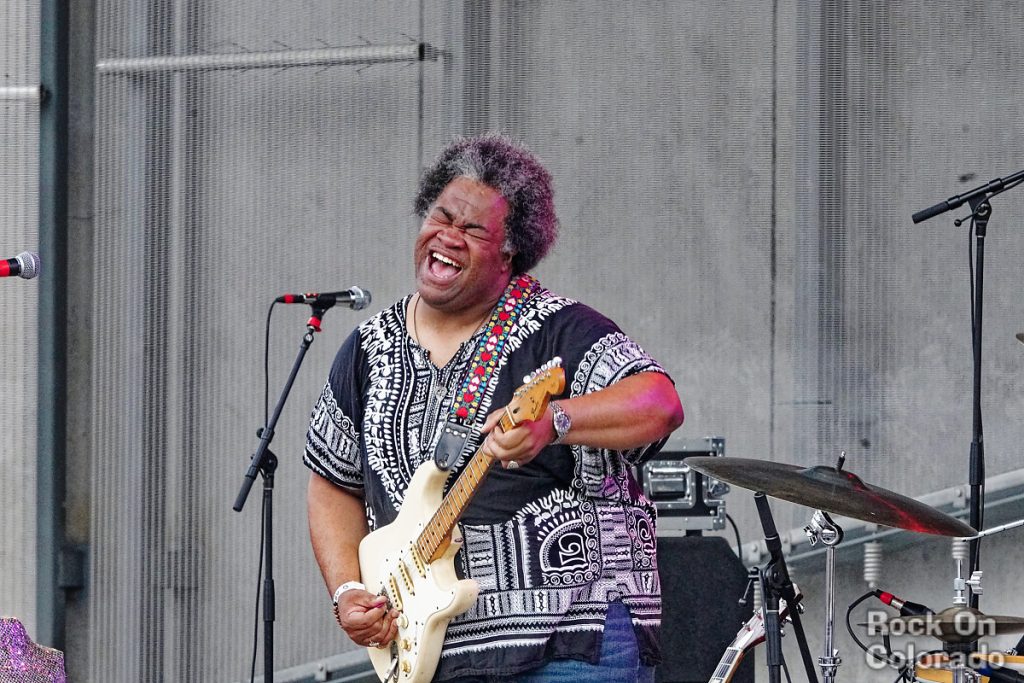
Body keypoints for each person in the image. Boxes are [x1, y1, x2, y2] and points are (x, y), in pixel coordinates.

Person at [304, 133, 683, 682]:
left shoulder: (560, 330)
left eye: (473, 230)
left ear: (509, 253)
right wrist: (346, 589)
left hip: (568, 643)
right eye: (441, 217)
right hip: (428, 650)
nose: (448, 236)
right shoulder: (367, 348)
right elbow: (332, 481)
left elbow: (659, 402)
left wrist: (556, 421)